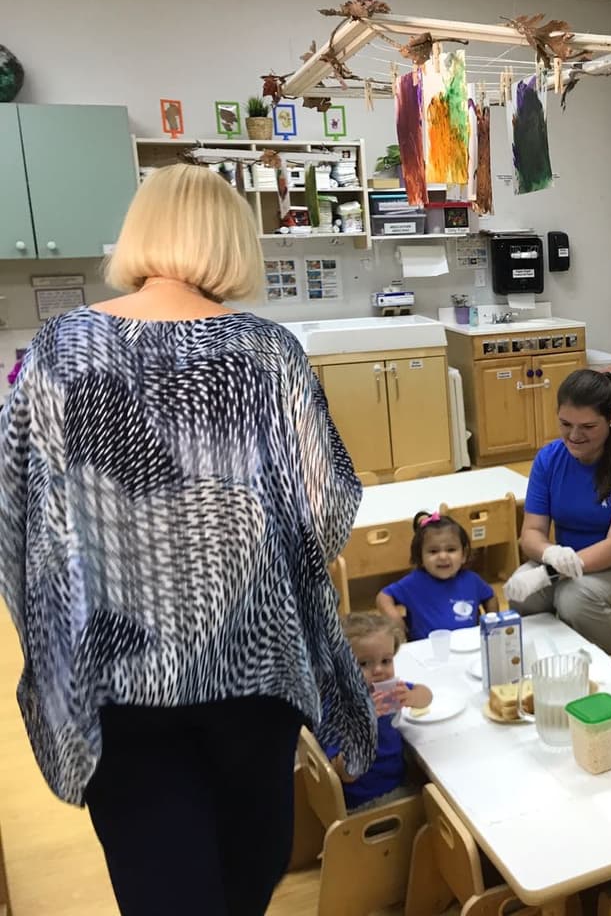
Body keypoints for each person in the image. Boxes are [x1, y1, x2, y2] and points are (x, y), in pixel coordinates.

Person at [0, 164, 376, 916]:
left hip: (118, 678)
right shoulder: (270, 354)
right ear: (232, 243)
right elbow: (326, 506)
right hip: (254, 669)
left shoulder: (62, 351)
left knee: (162, 889)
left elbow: (19, 512)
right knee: (249, 876)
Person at [503, 369, 611, 654]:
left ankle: (608, 676)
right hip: (572, 563)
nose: (574, 435)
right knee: (524, 593)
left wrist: (548, 572)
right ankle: (548, 663)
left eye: (587, 426)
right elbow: (531, 533)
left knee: (576, 598)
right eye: (565, 423)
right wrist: (550, 554)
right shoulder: (549, 459)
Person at [326, 613, 432, 812]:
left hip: (394, 775)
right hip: (369, 800)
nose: (378, 670)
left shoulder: (383, 689)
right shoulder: (335, 706)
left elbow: (426, 695)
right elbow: (346, 775)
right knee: (442, 802)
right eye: (363, 664)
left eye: (386, 661)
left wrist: (412, 696)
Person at [376, 511, 498, 641]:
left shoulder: (472, 580)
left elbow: (490, 597)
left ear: (463, 554)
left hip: (467, 647)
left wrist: (493, 625)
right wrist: (396, 621)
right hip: (426, 652)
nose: (443, 557)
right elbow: (383, 597)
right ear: (420, 558)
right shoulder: (414, 582)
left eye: (451, 550)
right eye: (433, 551)